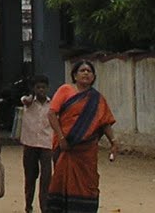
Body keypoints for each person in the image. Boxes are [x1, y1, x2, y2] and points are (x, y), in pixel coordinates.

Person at [46, 61, 118, 213]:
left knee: (88, 183)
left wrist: (114, 142)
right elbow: (52, 113)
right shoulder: (65, 90)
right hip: (66, 147)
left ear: (93, 77)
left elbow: (105, 123)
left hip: (86, 151)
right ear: (74, 75)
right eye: (82, 70)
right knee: (62, 180)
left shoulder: (97, 99)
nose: (86, 73)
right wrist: (61, 138)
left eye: (89, 71)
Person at [18, 74, 55, 213]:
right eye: (38, 87)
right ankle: (28, 204)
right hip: (30, 143)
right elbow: (24, 100)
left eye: (43, 87)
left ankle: (44, 207)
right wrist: (29, 97)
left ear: (47, 88)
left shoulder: (52, 104)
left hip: (46, 144)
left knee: (46, 177)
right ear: (33, 88)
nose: (41, 90)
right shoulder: (28, 101)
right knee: (30, 177)